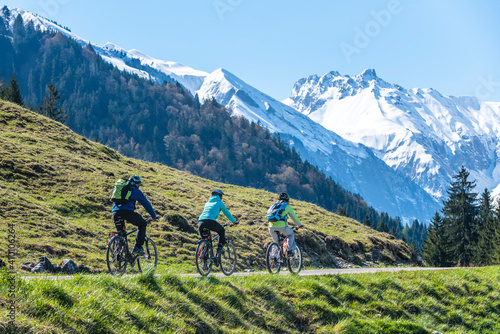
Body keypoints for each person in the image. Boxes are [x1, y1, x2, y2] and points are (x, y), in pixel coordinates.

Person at [112, 175, 158, 255]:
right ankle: (138, 247)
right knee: (143, 223)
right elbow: (146, 204)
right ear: (134, 183)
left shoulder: (121, 189)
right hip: (127, 212)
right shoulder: (135, 190)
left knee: (121, 233)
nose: (138, 185)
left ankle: (118, 255)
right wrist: (153, 216)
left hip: (115, 213)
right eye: (138, 183)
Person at [198, 189, 238, 254]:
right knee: (221, 230)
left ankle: (204, 259)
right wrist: (234, 221)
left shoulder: (207, 203)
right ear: (219, 196)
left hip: (200, 222)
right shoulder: (219, 203)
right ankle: (220, 248)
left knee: (206, 240)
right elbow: (227, 213)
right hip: (210, 222)